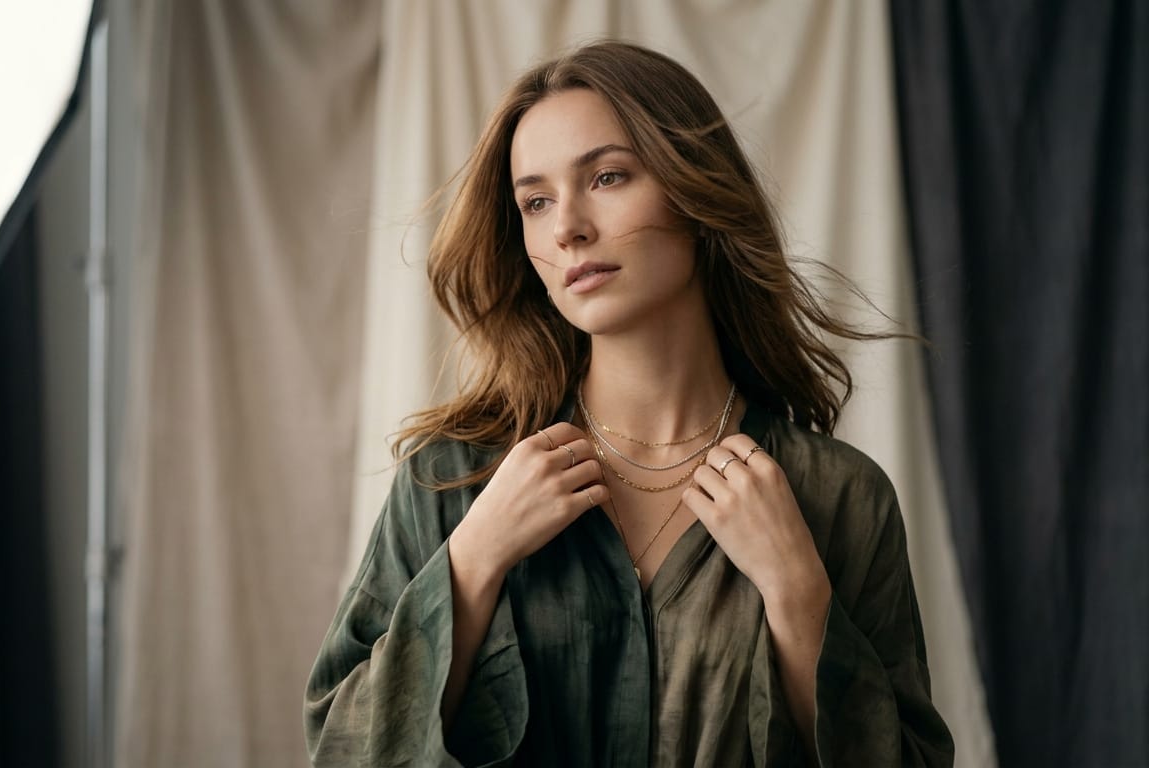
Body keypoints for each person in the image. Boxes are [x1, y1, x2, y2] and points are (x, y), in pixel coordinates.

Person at [304, 40, 954, 767]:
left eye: (608, 177)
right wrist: (471, 563)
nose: (567, 228)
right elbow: (340, 750)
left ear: (694, 190)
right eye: (536, 201)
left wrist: (800, 597)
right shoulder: (453, 483)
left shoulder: (837, 497)